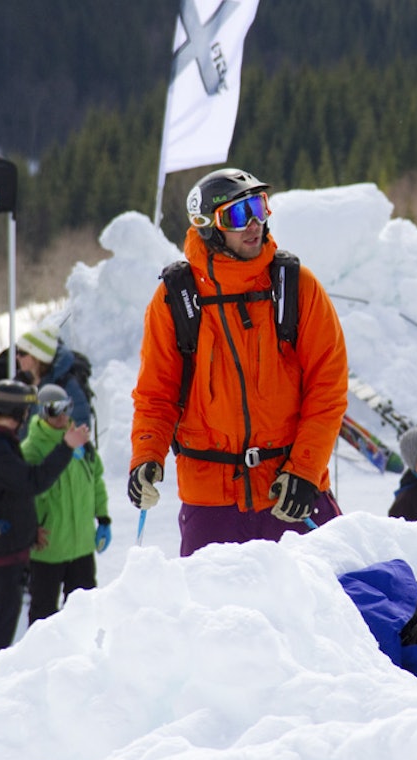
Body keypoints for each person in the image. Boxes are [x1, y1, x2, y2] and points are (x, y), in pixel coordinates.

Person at [128, 168, 349, 555]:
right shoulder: (176, 298)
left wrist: (305, 470)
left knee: (333, 604)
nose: (253, 224)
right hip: (212, 504)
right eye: (236, 215)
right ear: (209, 227)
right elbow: (156, 394)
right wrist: (147, 456)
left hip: (290, 490)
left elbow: (327, 388)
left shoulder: (295, 285)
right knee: (215, 613)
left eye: (259, 208)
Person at [0, 379, 87, 660]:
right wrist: (65, 447)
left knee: (1, 617)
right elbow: (32, 482)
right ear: (19, 413)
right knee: (0, 621)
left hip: (8, 543)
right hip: (0, 549)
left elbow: (10, 498)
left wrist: (29, 531)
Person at [24, 384, 109, 623]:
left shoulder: (81, 442)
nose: (62, 416)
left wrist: (103, 518)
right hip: (48, 550)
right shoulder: (31, 450)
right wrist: (30, 531)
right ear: (42, 412)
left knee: (85, 614)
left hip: (82, 547)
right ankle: (42, 659)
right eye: (54, 410)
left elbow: (96, 481)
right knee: (43, 617)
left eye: (66, 407)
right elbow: (22, 497)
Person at [15, 320, 94, 429]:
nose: (17, 357)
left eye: (23, 353)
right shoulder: (23, 383)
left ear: (38, 356)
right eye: (17, 352)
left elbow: (79, 428)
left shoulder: (65, 385)